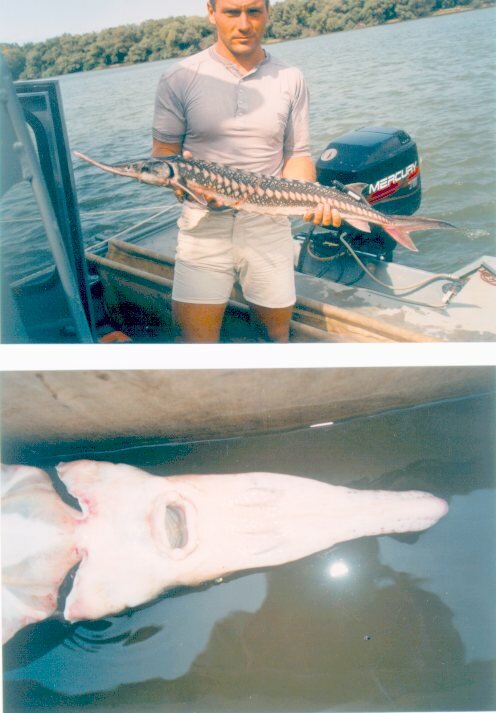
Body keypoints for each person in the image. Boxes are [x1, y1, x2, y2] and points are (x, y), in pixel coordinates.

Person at [152, 0, 341, 343]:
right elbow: (164, 156)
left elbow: (297, 154)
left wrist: (306, 200)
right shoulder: (178, 78)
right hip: (202, 226)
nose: (244, 24)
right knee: (195, 345)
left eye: (254, 11)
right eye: (231, 12)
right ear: (211, 12)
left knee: (274, 338)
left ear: (268, 13)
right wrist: (185, 188)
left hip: (268, 226)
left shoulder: (290, 78)